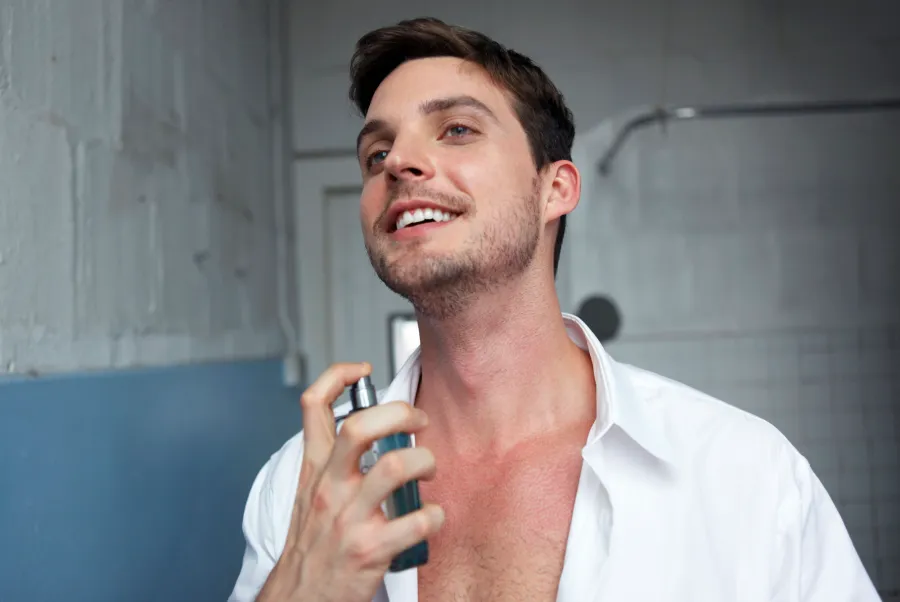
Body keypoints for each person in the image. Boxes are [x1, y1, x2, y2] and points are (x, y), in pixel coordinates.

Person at [228, 17, 880, 602]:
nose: (397, 162)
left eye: (457, 130)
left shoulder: (748, 478)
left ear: (555, 189)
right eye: (376, 154)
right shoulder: (304, 487)